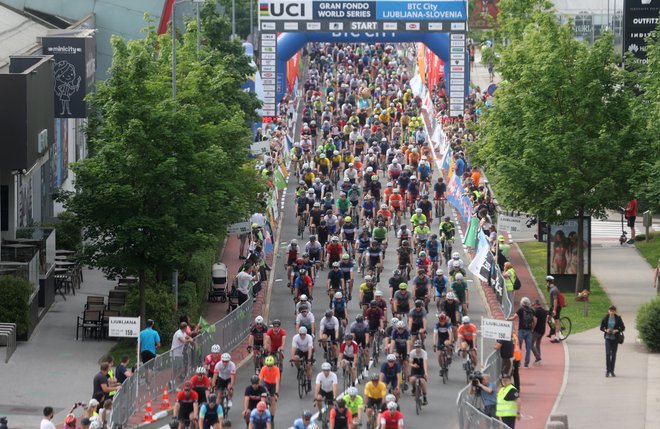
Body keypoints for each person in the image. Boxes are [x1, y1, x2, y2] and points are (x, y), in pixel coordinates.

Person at [508, 297, 535, 367]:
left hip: (521, 331)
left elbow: (514, 317)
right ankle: (526, 364)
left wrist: (507, 319)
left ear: (522, 303)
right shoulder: (532, 310)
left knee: (519, 347)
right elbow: (534, 321)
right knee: (528, 348)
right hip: (529, 331)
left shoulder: (521, 310)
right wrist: (532, 328)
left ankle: (518, 362)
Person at [600, 305, 625, 377]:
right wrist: (606, 330)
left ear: (615, 311)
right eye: (610, 311)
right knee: (608, 354)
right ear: (608, 311)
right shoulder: (605, 318)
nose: (611, 312)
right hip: (608, 338)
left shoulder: (618, 318)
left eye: (613, 311)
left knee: (613, 355)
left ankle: (612, 371)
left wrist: (616, 330)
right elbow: (601, 327)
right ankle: (608, 371)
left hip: (615, 338)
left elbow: (623, 328)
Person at [408, 340, 428, 405]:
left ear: (421, 347)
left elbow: (425, 363)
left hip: (421, 367)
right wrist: (413, 365)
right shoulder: (412, 353)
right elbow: (410, 363)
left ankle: (424, 397)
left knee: (422, 381)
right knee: (412, 380)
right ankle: (414, 389)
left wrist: (426, 373)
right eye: (417, 347)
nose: (418, 348)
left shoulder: (424, 353)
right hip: (415, 367)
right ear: (415, 347)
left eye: (419, 347)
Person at [531, 299, 548, 365]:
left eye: (533, 305)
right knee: (538, 344)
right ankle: (538, 359)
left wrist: (532, 328)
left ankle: (538, 357)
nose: (533, 306)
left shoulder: (536, 312)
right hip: (542, 330)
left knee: (531, 344)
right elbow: (549, 317)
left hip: (537, 330)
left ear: (536, 305)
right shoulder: (544, 311)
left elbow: (535, 321)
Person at [546, 276, 561, 342]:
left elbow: (555, 300)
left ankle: (557, 338)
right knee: (548, 319)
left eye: (546, 282)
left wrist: (554, 310)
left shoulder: (554, 290)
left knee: (556, 321)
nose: (546, 283)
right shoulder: (551, 289)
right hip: (552, 307)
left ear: (549, 282)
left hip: (556, 307)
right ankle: (552, 330)